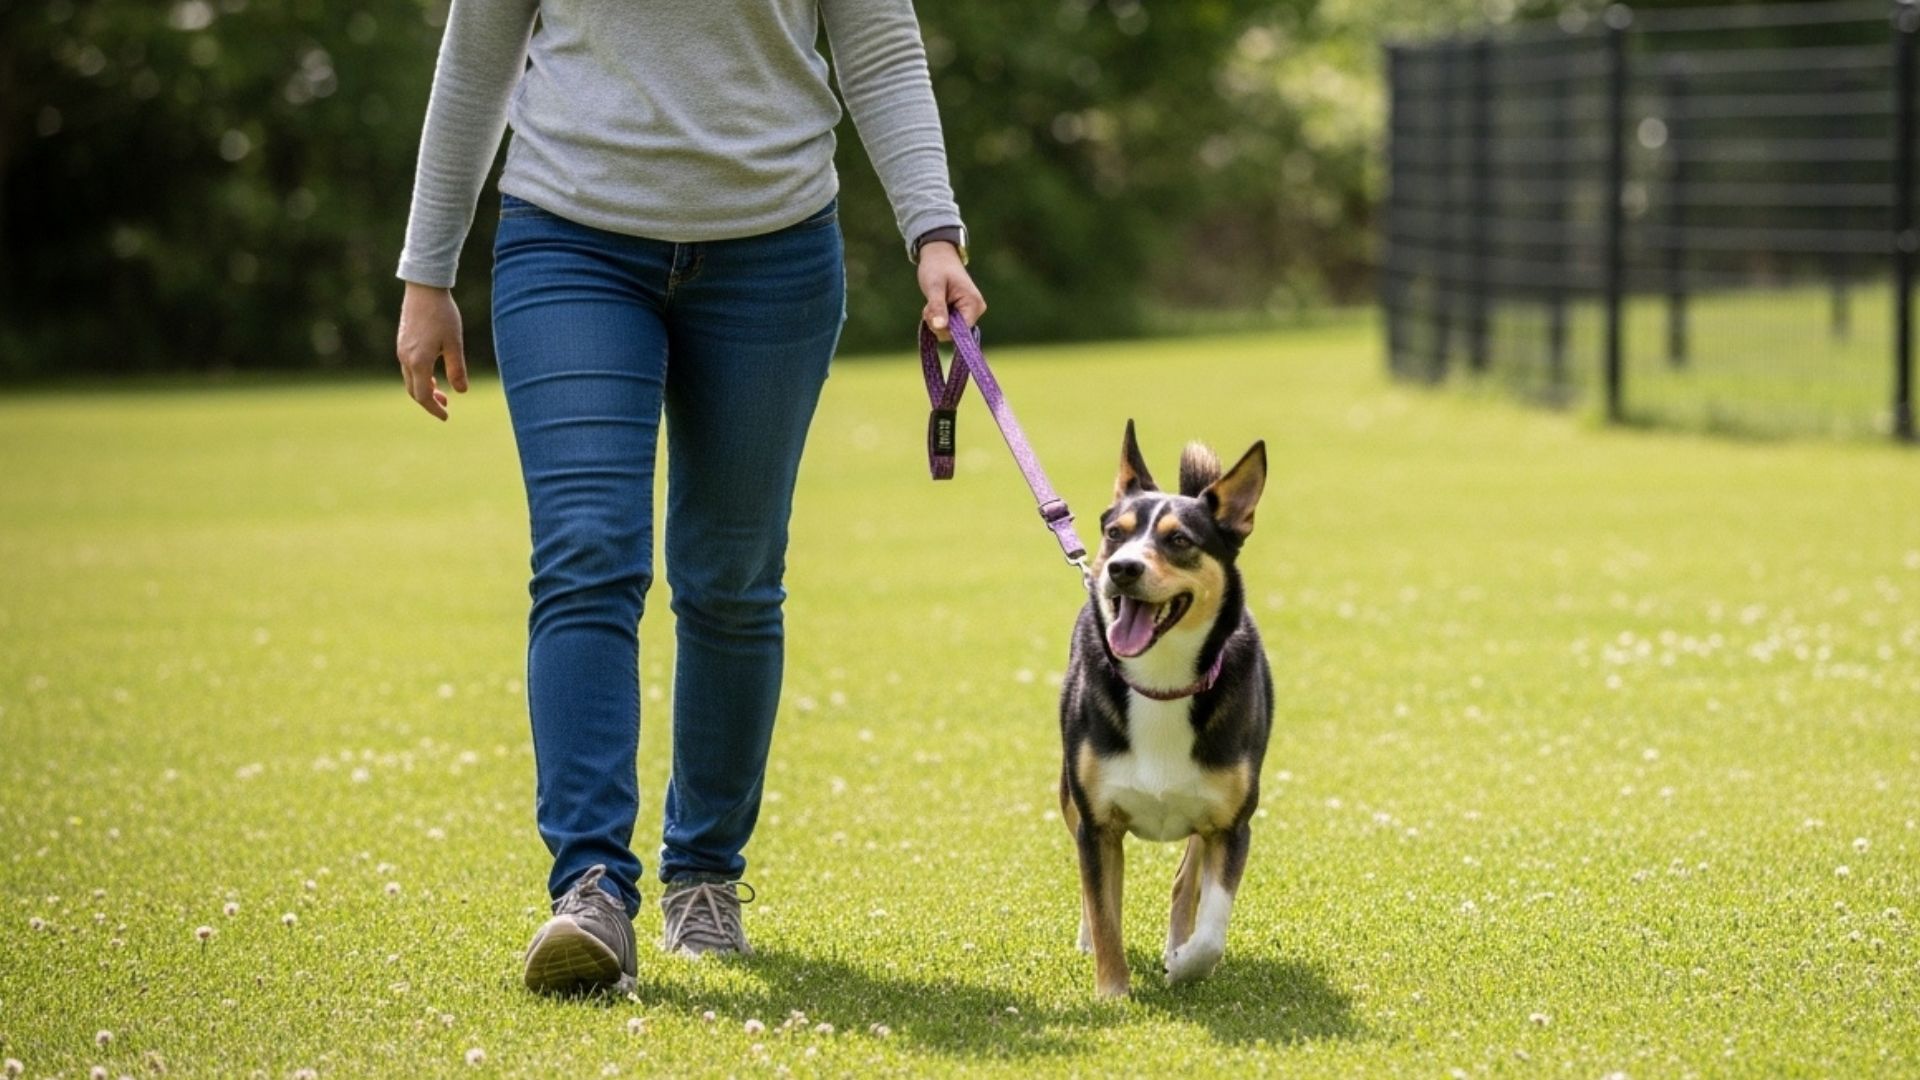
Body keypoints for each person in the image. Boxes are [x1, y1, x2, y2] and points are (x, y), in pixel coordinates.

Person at [393, 0, 985, 994]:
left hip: (775, 254)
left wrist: (935, 230)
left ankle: (704, 878)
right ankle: (590, 889)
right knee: (585, 553)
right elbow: (476, 58)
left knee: (733, 579)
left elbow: (881, 52)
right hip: (571, 240)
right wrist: (427, 271)